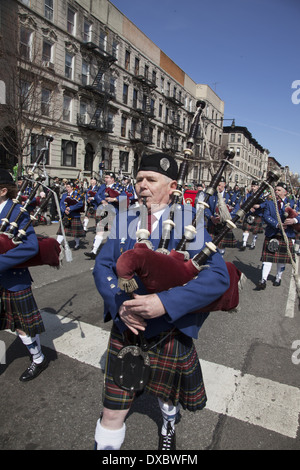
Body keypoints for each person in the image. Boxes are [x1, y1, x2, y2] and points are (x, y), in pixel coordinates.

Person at [92, 153, 230, 450]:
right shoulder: (125, 218)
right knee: (111, 411)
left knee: (166, 398)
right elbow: (103, 266)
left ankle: (168, 423)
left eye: (150, 180)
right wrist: (118, 305)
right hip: (127, 327)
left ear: (172, 187)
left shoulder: (188, 222)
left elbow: (218, 277)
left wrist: (164, 302)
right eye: (139, 179)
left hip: (169, 328)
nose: (142, 185)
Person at [0, 169, 48, 381]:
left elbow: (30, 246)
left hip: (13, 278)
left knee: (21, 326)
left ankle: (38, 358)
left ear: (2, 190)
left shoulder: (18, 211)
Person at [257, 181, 300, 289]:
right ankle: (263, 280)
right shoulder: (269, 203)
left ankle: (278, 277)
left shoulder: (293, 203)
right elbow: (266, 217)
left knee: (281, 261)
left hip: (287, 234)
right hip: (272, 233)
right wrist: (277, 224)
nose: (276, 191)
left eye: (278, 190)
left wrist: (295, 220)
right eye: (275, 189)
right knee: (267, 260)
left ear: (285, 192)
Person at [84, 172, 124, 260]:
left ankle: (120, 252)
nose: (105, 179)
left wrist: (114, 199)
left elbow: (124, 198)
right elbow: (97, 195)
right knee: (100, 229)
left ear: (112, 179)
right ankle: (94, 251)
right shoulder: (102, 186)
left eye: (107, 177)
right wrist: (102, 201)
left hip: (115, 211)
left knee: (116, 233)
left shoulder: (118, 187)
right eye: (105, 177)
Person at [204, 177, 237, 256]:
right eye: (216, 185)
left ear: (224, 184)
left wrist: (226, 218)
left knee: (221, 248)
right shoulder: (211, 195)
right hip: (212, 223)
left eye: (219, 185)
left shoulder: (231, 195)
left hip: (225, 225)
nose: (217, 187)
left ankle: (220, 261)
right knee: (209, 246)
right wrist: (211, 217)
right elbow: (205, 208)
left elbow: (236, 209)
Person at [56, 181, 85, 250]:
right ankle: (57, 244)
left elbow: (80, 204)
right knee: (62, 231)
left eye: (68, 187)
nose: (67, 188)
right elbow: (61, 204)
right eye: (66, 187)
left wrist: (71, 208)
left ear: (72, 188)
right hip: (66, 216)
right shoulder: (64, 195)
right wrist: (64, 210)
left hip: (74, 215)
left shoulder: (77, 195)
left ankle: (77, 244)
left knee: (76, 233)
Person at [240, 180, 264, 251]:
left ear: (258, 187)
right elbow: (244, 203)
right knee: (246, 229)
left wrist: (259, 206)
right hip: (249, 214)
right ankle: (244, 243)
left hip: (257, 214)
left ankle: (253, 243)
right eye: (252, 186)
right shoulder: (248, 195)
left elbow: (265, 204)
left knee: (255, 231)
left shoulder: (262, 195)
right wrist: (249, 208)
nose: (253, 188)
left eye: (255, 186)